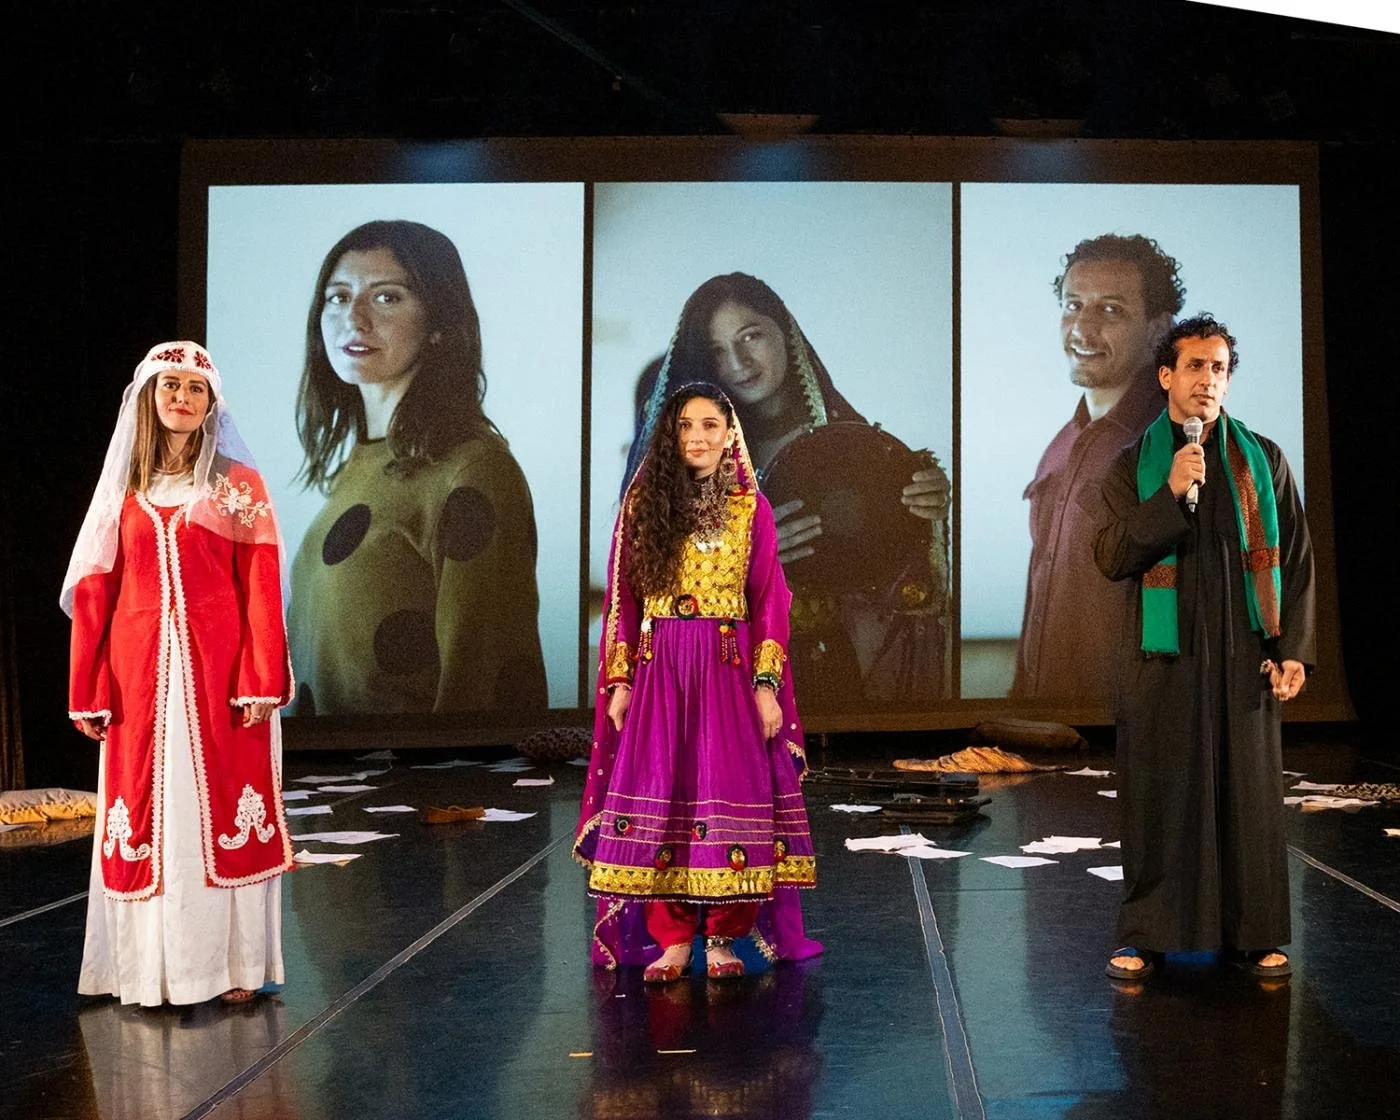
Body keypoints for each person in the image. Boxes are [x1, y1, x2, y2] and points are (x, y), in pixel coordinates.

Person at [64, 341, 293, 1006]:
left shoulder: (236, 485)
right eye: (171, 386)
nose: (182, 399)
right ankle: (149, 972)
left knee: (219, 812)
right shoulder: (124, 491)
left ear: (211, 403)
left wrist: (261, 677)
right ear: (149, 397)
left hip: (222, 678)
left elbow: (260, 581)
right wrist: (88, 686)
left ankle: (233, 967)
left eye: (195, 388)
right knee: (150, 815)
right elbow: (94, 591)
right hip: (138, 681)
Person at [1093, 314, 1315, 982]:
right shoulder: (1133, 465)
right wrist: (1169, 493)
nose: (1208, 380)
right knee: (1160, 799)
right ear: (1166, 376)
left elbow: (1295, 561)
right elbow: (1111, 555)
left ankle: (1252, 936)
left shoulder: (1262, 459)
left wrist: (1292, 649)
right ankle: (1148, 937)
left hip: (1246, 657)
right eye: (1195, 366)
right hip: (1164, 659)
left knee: (1247, 801)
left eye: (1219, 368)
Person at [576, 381, 822, 981]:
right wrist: (621, 681)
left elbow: (769, 602)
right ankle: (673, 941)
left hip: (726, 672)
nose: (697, 437)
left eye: (709, 425)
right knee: (663, 795)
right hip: (659, 672)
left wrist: (766, 686)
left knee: (729, 792)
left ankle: (722, 939)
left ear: (729, 432)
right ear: (670, 434)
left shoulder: (751, 509)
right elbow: (623, 602)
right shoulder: (643, 506)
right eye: (685, 425)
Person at [626, 272, 950, 713]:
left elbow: (896, 575)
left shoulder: (852, 445)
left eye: (751, 336)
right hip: (724, 686)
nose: (738, 362)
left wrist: (921, 508)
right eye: (717, 351)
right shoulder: (687, 459)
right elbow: (646, 579)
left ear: (786, 332)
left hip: (836, 673)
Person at [289, 219, 547, 715]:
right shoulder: (359, 466)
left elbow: (485, 690)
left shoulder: (474, 471)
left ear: (438, 324)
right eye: (338, 297)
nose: (354, 318)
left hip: (407, 769)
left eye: (386, 297)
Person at [1012, 234, 1185, 700]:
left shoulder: (1177, 449)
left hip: (1127, 725)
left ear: (1158, 329)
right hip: (1044, 718)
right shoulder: (1060, 446)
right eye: (1073, 306)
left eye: (1110, 310)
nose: (1082, 330)